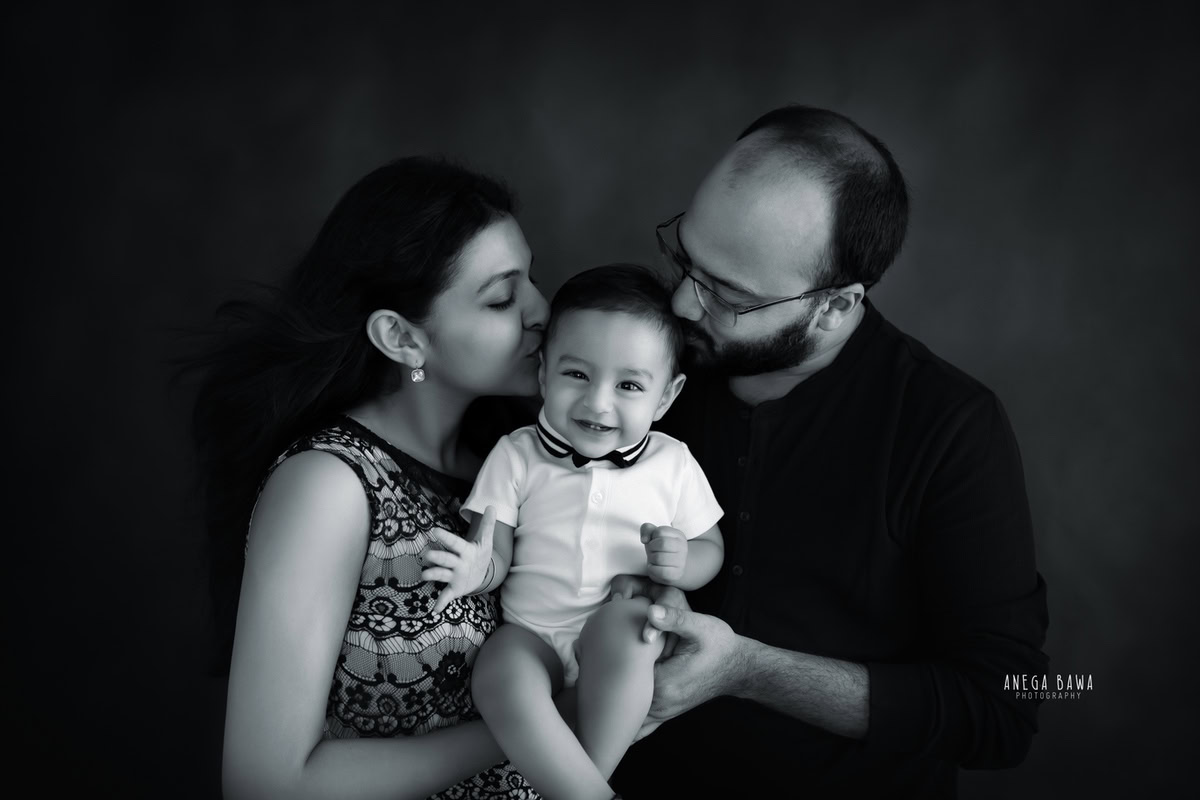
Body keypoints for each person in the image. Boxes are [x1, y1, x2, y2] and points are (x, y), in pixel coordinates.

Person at [612, 105, 1051, 798]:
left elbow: (1003, 709)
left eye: (729, 294)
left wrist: (748, 669)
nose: (683, 306)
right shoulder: (632, 362)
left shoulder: (948, 427)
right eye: (684, 259)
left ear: (836, 306)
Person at [179, 156, 565, 799]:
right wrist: (544, 724)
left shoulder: (511, 459)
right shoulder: (329, 486)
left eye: (531, 280)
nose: (541, 311)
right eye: (501, 297)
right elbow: (263, 784)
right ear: (402, 338)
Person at [428, 264, 724, 799]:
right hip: (531, 633)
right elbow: (494, 552)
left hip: (607, 632)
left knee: (637, 629)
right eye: (577, 375)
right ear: (543, 374)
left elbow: (710, 549)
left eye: (629, 384)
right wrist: (478, 568)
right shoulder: (516, 454)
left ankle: (590, 777)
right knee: (499, 670)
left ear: (665, 397)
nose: (598, 402)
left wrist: (681, 561)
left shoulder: (672, 462)